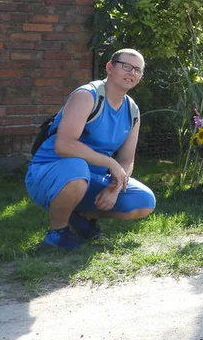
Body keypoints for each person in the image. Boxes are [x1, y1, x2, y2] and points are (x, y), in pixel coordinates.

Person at [25, 48, 156, 250]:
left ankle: (80, 218)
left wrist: (113, 188)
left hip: (91, 178)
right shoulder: (88, 96)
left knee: (144, 201)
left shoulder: (132, 111)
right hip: (51, 172)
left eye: (137, 70)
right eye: (126, 66)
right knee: (77, 169)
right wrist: (109, 162)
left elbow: (127, 160)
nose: (132, 73)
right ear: (110, 67)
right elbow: (64, 145)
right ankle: (56, 234)